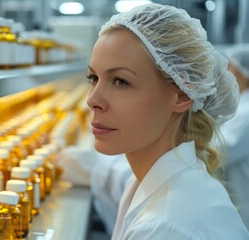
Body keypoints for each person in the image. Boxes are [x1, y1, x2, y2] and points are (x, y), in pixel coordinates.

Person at [85, 3, 249, 239]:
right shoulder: (154, 184)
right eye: (93, 77)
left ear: (182, 95)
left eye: (121, 81)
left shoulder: (166, 228)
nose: (93, 100)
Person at [222, 45, 249, 228]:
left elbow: (220, 149)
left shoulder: (246, 113)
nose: (227, 71)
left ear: (243, 73)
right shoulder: (241, 106)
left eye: (231, 66)